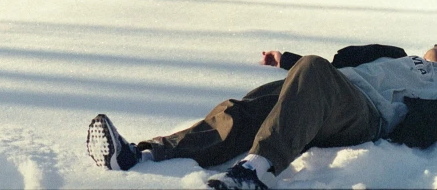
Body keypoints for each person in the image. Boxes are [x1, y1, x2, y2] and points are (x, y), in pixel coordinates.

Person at [86, 43, 437, 190]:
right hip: (332, 87)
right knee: (252, 107)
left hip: (364, 113)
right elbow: (331, 65)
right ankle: (141, 154)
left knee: (311, 68)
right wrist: (286, 58)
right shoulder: (397, 54)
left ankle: (259, 171)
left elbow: (424, 129)